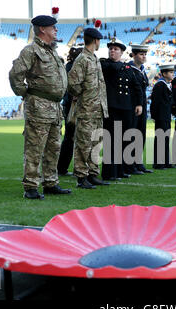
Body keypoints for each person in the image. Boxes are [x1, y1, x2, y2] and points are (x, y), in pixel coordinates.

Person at [9, 14, 71, 199]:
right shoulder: (31, 51)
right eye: (53, 27)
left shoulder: (52, 51)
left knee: (54, 147)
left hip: (54, 107)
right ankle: (31, 187)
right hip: (39, 106)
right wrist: (25, 94)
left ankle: (51, 183)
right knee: (35, 148)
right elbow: (15, 75)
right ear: (42, 29)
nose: (56, 30)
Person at [68, 27, 109, 189]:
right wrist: (83, 95)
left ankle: (92, 173)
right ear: (96, 41)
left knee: (96, 142)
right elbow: (72, 83)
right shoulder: (82, 59)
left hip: (98, 109)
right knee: (83, 143)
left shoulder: (94, 58)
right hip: (86, 109)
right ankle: (81, 176)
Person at [100, 38, 142, 181]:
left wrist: (139, 104)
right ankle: (109, 172)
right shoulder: (105, 64)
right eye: (111, 48)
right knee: (111, 141)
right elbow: (114, 68)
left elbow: (136, 87)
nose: (112, 51)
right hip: (112, 108)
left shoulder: (128, 69)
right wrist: (120, 64)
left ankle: (120, 170)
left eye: (116, 49)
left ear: (122, 52)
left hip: (126, 109)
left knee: (123, 141)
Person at [57, 46, 83, 177]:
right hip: (75, 106)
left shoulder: (67, 66)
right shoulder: (76, 67)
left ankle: (62, 167)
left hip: (68, 105)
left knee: (69, 138)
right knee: (78, 138)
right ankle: (79, 169)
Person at [128, 44, 153, 174]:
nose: (144, 57)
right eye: (141, 54)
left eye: (145, 54)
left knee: (141, 135)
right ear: (134, 55)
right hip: (133, 107)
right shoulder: (129, 68)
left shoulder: (142, 70)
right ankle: (130, 165)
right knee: (132, 136)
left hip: (141, 106)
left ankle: (138, 163)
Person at [150, 64, 175, 169]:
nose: (173, 74)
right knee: (161, 138)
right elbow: (155, 102)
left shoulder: (165, 84)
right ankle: (159, 163)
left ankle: (166, 161)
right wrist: (155, 116)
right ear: (164, 73)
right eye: (170, 72)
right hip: (161, 116)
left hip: (165, 115)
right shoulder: (160, 85)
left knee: (165, 138)